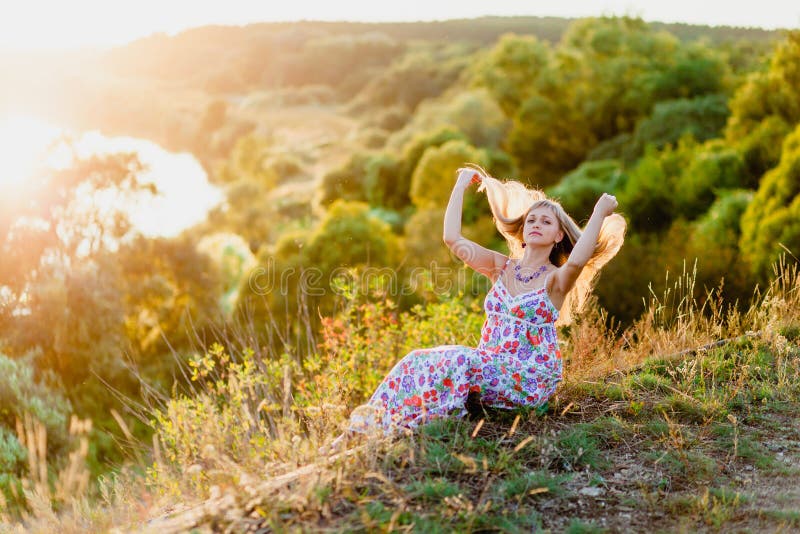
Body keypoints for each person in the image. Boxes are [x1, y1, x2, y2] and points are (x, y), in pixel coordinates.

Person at [333, 165, 626, 444]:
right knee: (416, 359)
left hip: (529, 377)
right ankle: (361, 430)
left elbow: (577, 260)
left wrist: (599, 213)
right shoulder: (501, 267)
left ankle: (418, 428)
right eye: (531, 221)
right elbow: (452, 239)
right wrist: (460, 185)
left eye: (546, 222)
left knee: (460, 359)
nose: (536, 225)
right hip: (490, 366)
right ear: (522, 231)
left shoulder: (555, 281)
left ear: (558, 235)